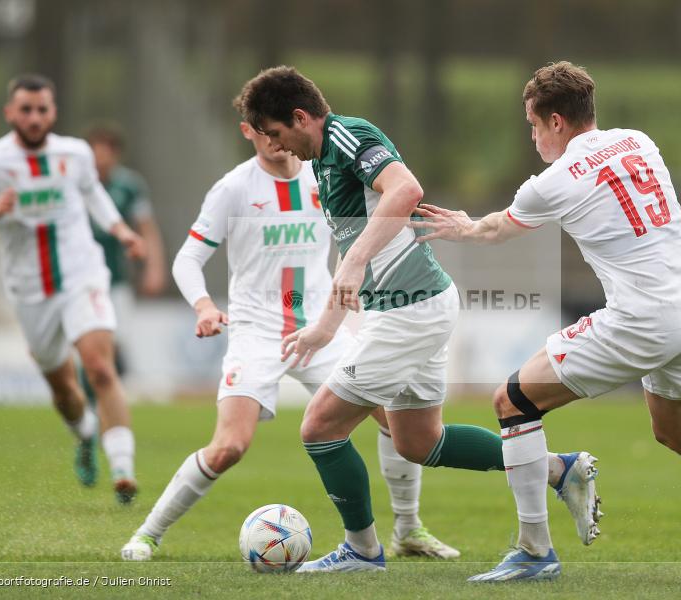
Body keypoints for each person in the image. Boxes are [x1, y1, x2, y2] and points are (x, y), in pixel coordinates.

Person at [414, 61, 681, 582]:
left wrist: (463, 229)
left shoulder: (551, 182)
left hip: (644, 319)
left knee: (512, 400)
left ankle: (535, 553)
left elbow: (498, 230)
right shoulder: (638, 141)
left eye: (534, 126)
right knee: (680, 433)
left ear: (556, 122)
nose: (533, 138)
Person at [238, 66, 601, 573]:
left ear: (301, 117)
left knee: (319, 427)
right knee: (419, 443)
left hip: (409, 312)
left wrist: (357, 260)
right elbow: (353, 248)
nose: (277, 148)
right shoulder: (321, 161)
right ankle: (560, 469)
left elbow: (405, 190)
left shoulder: (347, 135)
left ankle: (362, 550)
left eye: (276, 134)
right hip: (414, 306)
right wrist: (327, 323)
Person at [120, 98, 461, 562]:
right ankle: (148, 533)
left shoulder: (321, 170)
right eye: (265, 133)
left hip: (319, 329)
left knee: (393, 418)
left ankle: (407, 529)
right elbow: (188, 257)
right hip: (257, 332)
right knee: (229, 447)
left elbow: (367, 220)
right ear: (250, 132)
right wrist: (202, 305)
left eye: (278, 131)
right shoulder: (233, 189)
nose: (276, 142)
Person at [0, 74, 145, 503]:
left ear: (53, 113)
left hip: (82, 275)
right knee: (63, 390)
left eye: (42, 110)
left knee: (100, 367)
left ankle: (124, 471)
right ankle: (85, 435)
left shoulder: (74, 154)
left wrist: (120, 230)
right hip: (30, 291)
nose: (34, 118)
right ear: (10, 113)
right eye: (26, 110)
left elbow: (94, 196)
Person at [78, 124, 168, 409]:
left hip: (116, 280)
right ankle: (90, 406)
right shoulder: (75, 184)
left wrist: (154, 267)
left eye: (106, 152)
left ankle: (105, 398)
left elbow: (146, 228)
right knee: (86, 345)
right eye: (95, 151)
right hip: (77, 281)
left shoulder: (129, 186)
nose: (100, 158)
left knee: (115, 342)